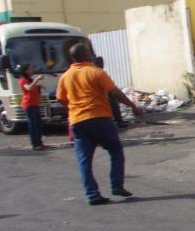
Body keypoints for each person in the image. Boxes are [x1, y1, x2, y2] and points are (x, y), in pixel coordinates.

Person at [56, 43, 144, 205]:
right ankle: (116, 185)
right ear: (87, 54)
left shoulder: (65, 76)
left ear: (73, 58)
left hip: (77, 122)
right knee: (115, 150)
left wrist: (74, 108)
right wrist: (133, 106)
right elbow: (115, 93)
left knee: (84, 160)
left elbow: (61, 99)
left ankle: (92, 195)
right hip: (99, 118)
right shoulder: (96, 72)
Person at [16, 64, 46, 150]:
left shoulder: (30, 80)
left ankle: (39, 142)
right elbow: (28, 88)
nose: (31, 70)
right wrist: (37, 79)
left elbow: (33, 89)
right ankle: (35, 144)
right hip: (29, 104)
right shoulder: (22, 80)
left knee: (38, 124)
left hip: (35, 104)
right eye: (29, 69)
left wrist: (39, 87)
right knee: (33, 124)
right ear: (25, 71)